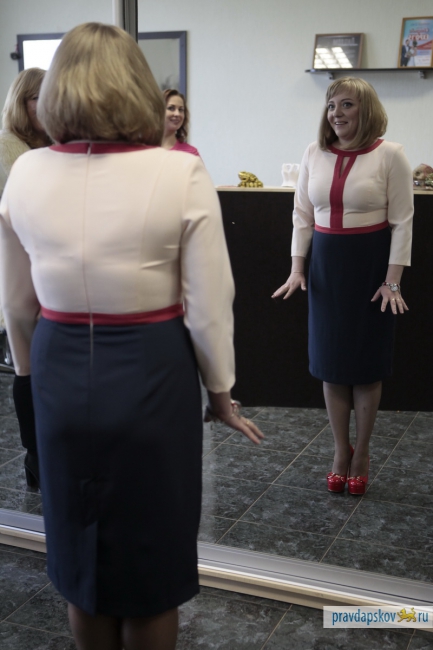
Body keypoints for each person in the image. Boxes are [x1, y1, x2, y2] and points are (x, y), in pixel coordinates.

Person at [0, 22, 263, 650]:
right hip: (152, 368)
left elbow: (16, 305)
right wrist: (220, 392)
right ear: (138, 87)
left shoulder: (27, 171)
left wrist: (32, 386)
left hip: (58, 367)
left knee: (80, 561)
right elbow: (210, 304)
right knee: (151, 567)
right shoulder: (179, 172)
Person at [272, 77, 413, 496]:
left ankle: (363, 452)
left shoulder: (391, 155)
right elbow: (302, 215)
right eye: (332, 105)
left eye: (347, 105)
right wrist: (298, 269)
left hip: (370, 268)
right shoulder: (313, 153)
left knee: (366, 367)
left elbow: (403, 222)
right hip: (326, 268)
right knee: (331, 365)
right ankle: (339, 451)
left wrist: (392, 281)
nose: (337, 113)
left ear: (366, 110)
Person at [0, 67, 51, 490]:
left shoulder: (51, 147)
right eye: (38, 98)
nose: (47, 105)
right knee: (27, 368)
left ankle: (44, 456)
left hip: (47, 269)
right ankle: (34, 455)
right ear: (22, 103)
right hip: (18, 267)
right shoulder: (6, 149)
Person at [161, 88, 200, 156]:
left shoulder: (190, 152)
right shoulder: (144, 150)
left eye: (181, 110)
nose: (177, 114)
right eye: (171, 108)